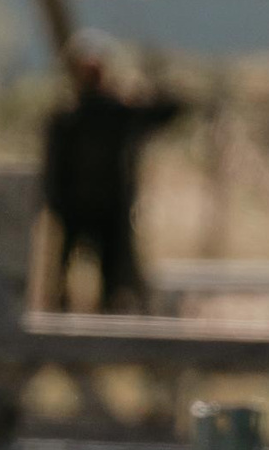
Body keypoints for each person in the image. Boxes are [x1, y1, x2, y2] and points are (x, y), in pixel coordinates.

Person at [42, 34, 182, 312]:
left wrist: (147, 85)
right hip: (81, 211)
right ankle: (63, 325)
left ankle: (98, 326)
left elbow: (167, 110)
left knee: (110, 280)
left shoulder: (112, 112)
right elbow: (53, 166)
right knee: (67, 278)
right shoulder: (72, 117)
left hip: (106, 212)